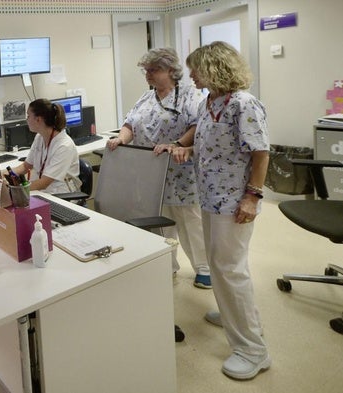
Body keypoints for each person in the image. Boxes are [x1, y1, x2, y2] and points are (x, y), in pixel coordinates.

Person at [173, 41, 271, 380]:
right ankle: (233, 314)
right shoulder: (210, 102)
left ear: (214, 68)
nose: (191, 76)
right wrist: (184, 147)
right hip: (211, 197)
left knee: (230, 269)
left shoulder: (243, 104)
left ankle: (253, 350)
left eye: (195, 69)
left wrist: (253, 197)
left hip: (234, 201)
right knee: (220, 264)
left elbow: (260, 153)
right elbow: (201, 137)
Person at [107, 48, 211, 289]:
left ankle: (204, 268)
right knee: (160, 221)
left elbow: (198, 125)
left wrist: (177, 144)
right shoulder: (146, 97)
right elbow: (130, 122)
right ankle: (167, 264)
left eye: (154, 70)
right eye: (146, 71)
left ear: (171, 71)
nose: (148, 75)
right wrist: (122, 139)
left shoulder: (189, 96)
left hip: (180, 168)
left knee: (189, 221)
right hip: (150, 172)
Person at [8, 98, 81, 194]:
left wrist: (15, 189)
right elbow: (25, 166)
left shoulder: (64, 146)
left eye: (28, 116)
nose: (27, 120)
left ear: (38, 119)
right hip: (41, 191)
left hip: (61, 196)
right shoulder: (40, 137)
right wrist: (3, 176)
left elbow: (44, 183)